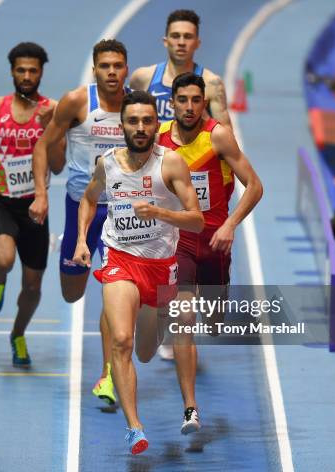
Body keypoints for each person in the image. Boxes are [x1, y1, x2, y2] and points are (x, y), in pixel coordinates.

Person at [73, 91, 204, 454]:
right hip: (120, 259)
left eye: (147, 121)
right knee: (121, 341)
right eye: (133, 121)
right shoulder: (107, 164)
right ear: (123, 126)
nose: (141, 127)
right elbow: (88, 199)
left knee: (145, 351)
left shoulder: (171, 163)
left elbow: (196, 220)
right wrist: (82, 241)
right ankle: (134, 427)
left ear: (154, 123)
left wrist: (161, 213)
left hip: (161, 268)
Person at [158, 72, 262, 433]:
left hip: (215, 243)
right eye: (182, 100)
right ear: (171, 103)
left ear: (204, 102)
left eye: (195, 100)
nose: (189, 107)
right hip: (179, 244)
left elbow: (255, 186)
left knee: (215, 324)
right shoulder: (158, 143)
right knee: (184, 321)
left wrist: (230, 224)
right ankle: (190, 409)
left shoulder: (217, 136)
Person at [130, 9, 235, 360]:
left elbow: (226, 139)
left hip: (204, 192)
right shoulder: (145, 78)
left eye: (187, 37)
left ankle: (188, 316)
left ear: (197, 42)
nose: (181, 42)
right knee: (171, 274)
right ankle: (174, 324)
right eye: (175, 36)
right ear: (165, 40)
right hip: (163, 188)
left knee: (216, 318)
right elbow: (127, 124)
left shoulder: (212, 83)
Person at [29, 39, 129, 402]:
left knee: (114, 292)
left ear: (127, 69)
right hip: (79, 208)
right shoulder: (76, 101)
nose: (112, 72)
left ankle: (108, 375)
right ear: (95, 70)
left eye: (118, 65)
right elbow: (43, 146)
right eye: (105, 66)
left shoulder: (137, 107)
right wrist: (41, 194)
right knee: (72, 293)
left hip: (122, 212)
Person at [0, 42, 61, 367]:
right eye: (20, 70)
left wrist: (54, 129)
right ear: (11, 71)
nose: (26, 76)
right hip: (3, 203)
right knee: (4, 260)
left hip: (36, 207)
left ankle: (18, 334)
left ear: (41, 72)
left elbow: (60, 165)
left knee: (33, 286)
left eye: (32, 70)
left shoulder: (52, 111)